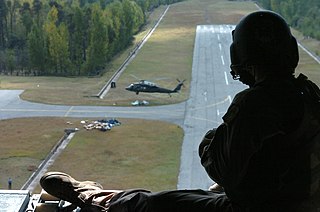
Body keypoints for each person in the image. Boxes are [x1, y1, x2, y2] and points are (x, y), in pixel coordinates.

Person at [40, 10, 320, 212]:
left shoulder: (257, 103)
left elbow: (219, 168)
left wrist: (212, 139)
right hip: (293, 199)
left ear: (242, 57)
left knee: (155, 203)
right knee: (204, 194)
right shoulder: (310, 93)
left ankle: (90, 196)